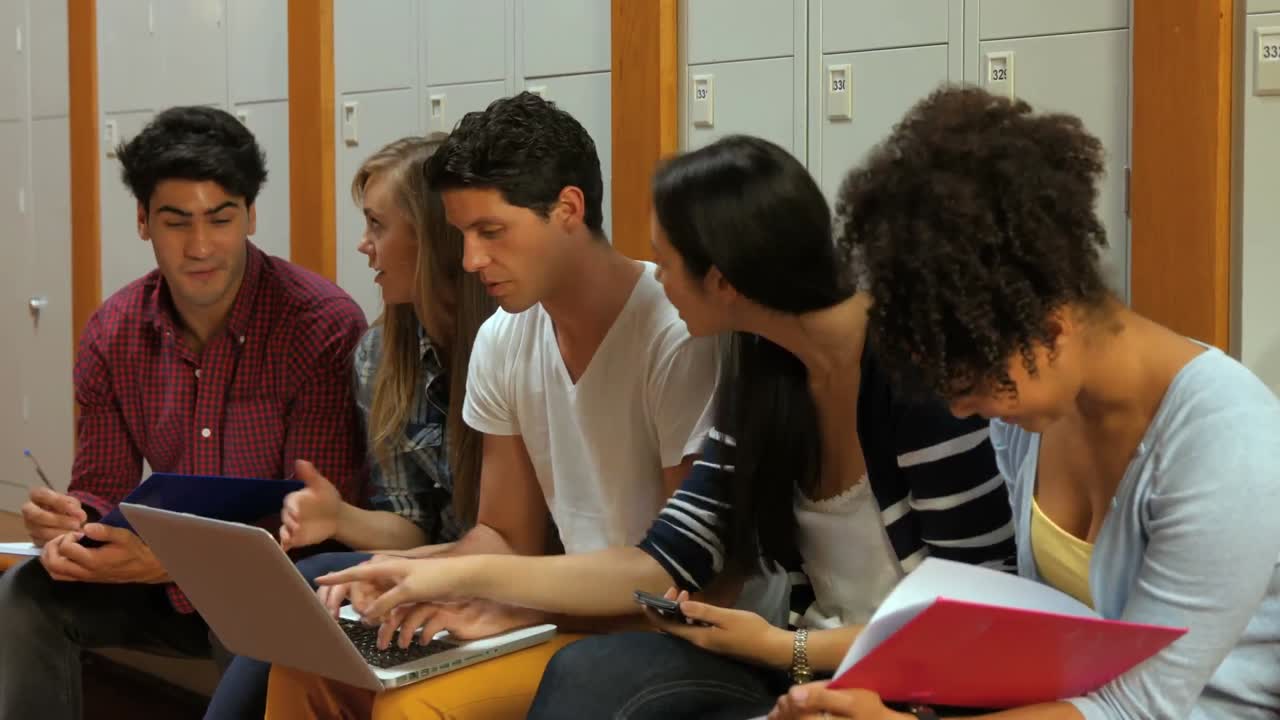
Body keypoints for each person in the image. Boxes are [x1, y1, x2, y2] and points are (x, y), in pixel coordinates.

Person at [321, 134, 1017, 720]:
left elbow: (976, 618)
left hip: (912, 688)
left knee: (590, 677)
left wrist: (789, 652)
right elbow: (666, 559)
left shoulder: (913, 382)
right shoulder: (764, 376)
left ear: (725, 279)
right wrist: (457, 575)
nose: (656, 279)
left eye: (669, 261)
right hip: (807, 669)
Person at [768, 86, 1280, 720]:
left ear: (1052, 327)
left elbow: (1137, 707)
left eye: (974, 384)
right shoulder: (1035, 416)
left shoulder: (1228, 446)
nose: (963, 412)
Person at [264, 92, 723, 720]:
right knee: (308, 667)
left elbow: (684, 577)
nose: (472, 260)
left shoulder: (673, 333)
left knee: (409, 708)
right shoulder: (505, 338)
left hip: (670, 634)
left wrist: (475, 587)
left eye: (491, 232)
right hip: (567, 615)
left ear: (568, 208)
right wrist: (396, 569)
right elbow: (506, 534)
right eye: (462, 235)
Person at [0, 105, 368, 720]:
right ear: (143, 221)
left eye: (221, 219)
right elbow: (100, 487)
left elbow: (320, 523)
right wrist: (72, 525)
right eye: (176, 222)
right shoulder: (113, 332)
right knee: (24, 595)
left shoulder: (321, 327)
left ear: (251, 214)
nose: (200, 247)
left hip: (276, 580)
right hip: (152, 580)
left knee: (251, 624)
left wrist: (178, 562)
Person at [203, 135, 497, 719]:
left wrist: (407, 569)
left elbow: (524, 542)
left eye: (377, 225)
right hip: (440, 561)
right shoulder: (379, 356)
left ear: (434, 236)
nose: (363, 246)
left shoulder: (510, 343)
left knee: (316, 590)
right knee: (299, 585)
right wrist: (339, 518)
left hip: (510, 580)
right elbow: (412, 523)